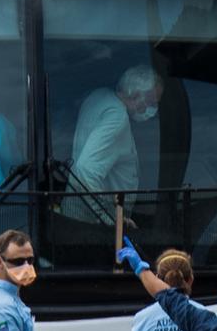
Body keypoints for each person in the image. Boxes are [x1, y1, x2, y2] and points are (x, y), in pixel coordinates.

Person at [64, 65, 163, 224]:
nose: (153, 110)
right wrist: (109, 220)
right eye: (152, 102)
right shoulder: (117, 117)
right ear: (136, 95)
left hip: (75, 215)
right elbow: (86, 171)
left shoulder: (99, 96)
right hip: (92, 225)